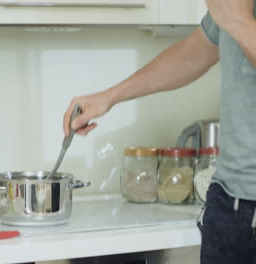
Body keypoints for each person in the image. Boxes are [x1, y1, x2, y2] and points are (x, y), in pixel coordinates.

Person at [63, 1, 256, 263]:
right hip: (228, 202)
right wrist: (109, 97)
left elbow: (237, 22)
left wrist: (240, 22)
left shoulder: (238, 12)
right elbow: (195, 53)